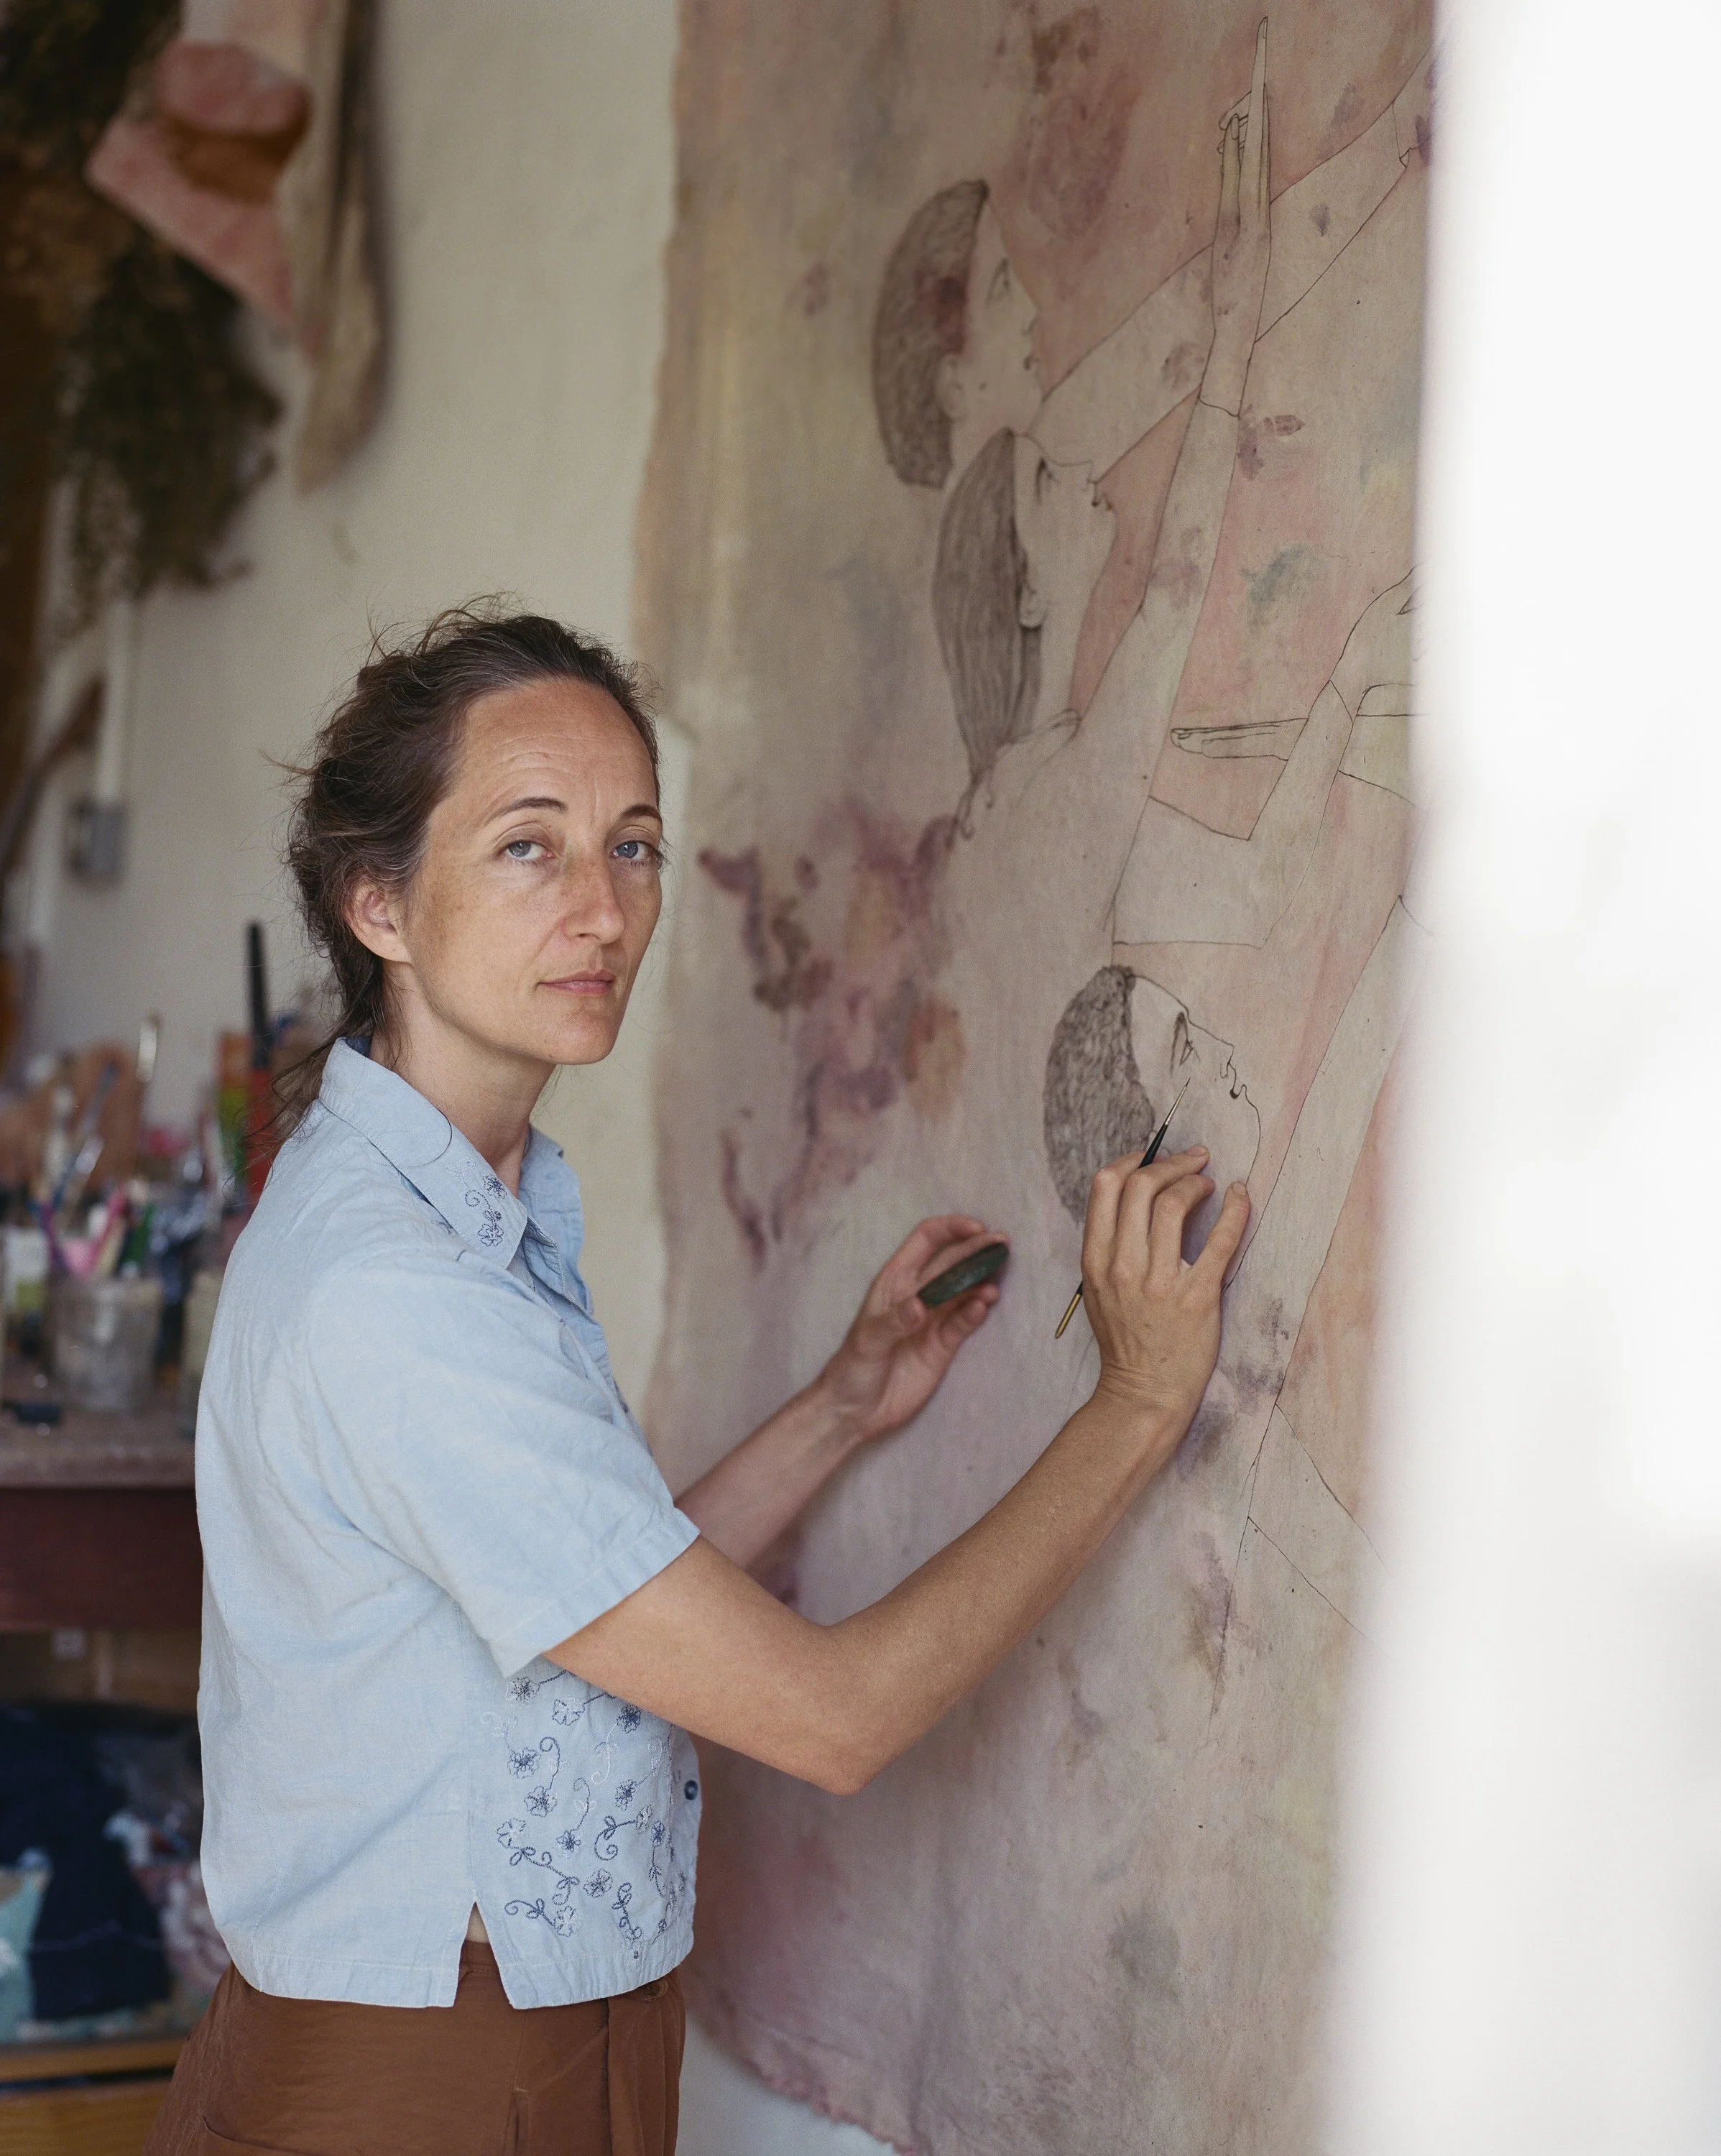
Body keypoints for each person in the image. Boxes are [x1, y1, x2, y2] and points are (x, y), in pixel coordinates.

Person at [144, 609, 1249, 2156]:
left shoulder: (450, 1204)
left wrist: (843, 1405)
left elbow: (588, 1602)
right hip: (428, 2077)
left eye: (635, 846)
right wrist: (1132, 1405)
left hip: (509, 2035)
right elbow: (835, 1718)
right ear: (377, 901)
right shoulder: (399, 1290)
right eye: (528, 848)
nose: (603, 909)